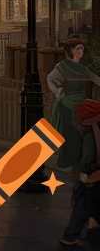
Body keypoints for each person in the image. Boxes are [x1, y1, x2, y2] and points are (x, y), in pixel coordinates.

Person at [50, 37, 100, 176]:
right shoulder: (62, 66)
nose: (80, 52)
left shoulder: (83, 69)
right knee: (71, 138)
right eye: (77, 49)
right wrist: (58, 91)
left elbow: (96, 79)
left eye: (82, 49)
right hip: (67, 105)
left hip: (81, 104)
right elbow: (50, 79)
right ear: (70, 51)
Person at [60, 98, 100, 247]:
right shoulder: (93, 132)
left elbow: (87, 157)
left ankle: (73, 233)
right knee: (85, 203)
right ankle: (72, 234)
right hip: (92, 174)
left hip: (91, 173)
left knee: (84, 202)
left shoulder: (89, 133)